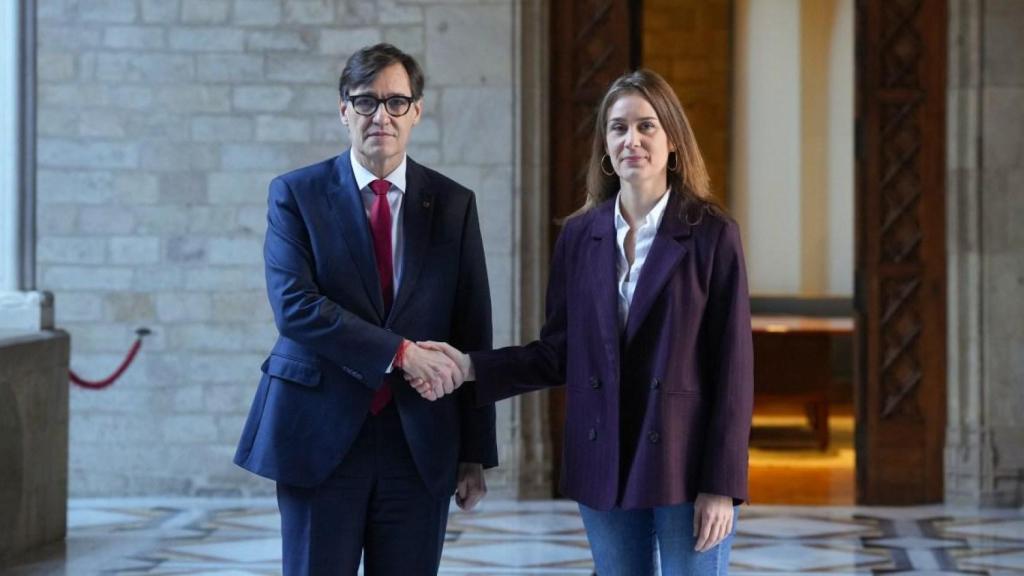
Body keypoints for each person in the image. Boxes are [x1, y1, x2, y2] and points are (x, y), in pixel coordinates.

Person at [411, 69, 753, 575]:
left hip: (686, 458)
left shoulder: (711, 233)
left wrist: (721, 485)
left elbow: (733, 371)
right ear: (604, 146)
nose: (630, 140)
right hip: (603, 453)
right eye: (617, 128)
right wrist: (470, 367)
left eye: (646, 126)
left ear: (674, 140)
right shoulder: (579, 235)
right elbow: (558, 352)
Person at [233, 43, 497, 576]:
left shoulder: (452, 204)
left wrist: (475, 452)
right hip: (319, 434)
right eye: (366, 102)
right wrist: (399, 353)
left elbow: (473, 327)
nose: (382, 115)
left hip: (419, 440)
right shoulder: (296, 194)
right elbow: (295, 307)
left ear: (417, 111)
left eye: (397, 102)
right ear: (343, 111)